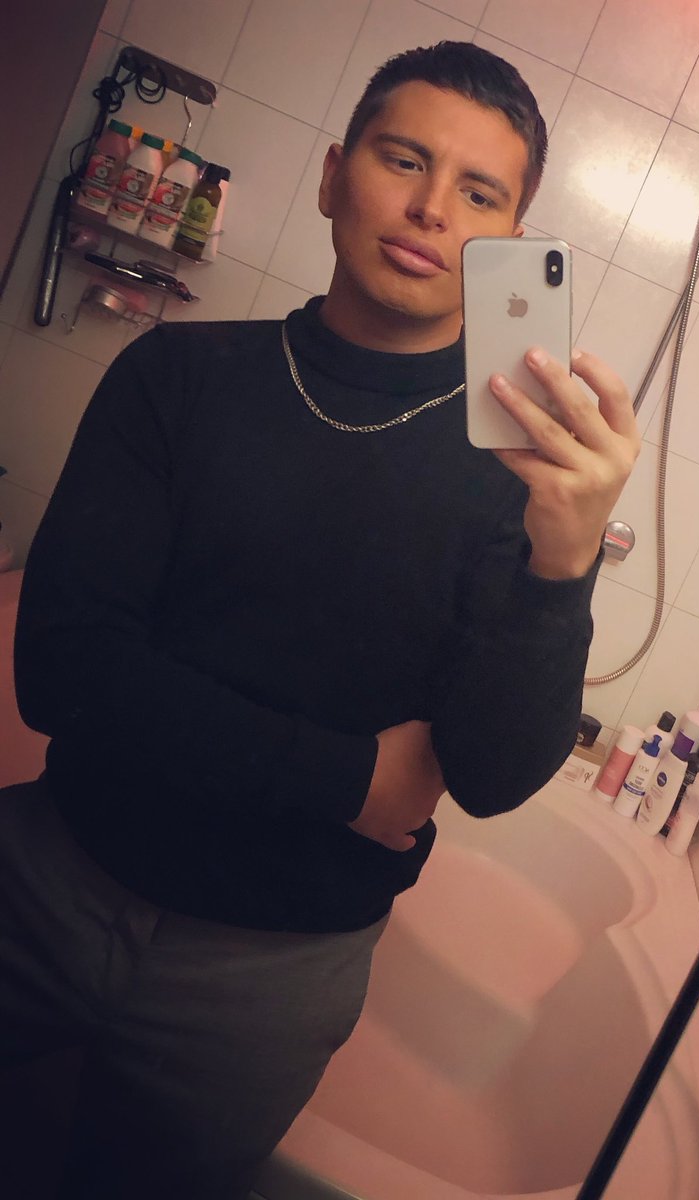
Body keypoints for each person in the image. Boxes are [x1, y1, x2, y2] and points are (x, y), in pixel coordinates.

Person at [0, 40, 639, 1199]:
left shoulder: (518, 480)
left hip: (273, 974)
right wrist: (352, 779)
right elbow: (62, 671)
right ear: (336, 175)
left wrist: (565, 560)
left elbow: (494, 776)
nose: (432, 209)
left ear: (508, 242)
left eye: (479, 194)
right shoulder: (177, 376)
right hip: (49, 876)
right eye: (405, 160)